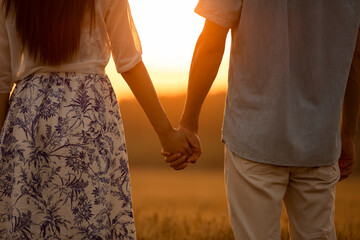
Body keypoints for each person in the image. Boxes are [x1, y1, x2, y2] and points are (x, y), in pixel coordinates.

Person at [164, 1, 360, 239]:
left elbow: (211, 42)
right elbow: (354, 55)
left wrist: (188, 124)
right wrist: (348, 132)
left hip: (254, 137)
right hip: (319, 140)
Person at [0, 0, 195, 239]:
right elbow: (129, 62)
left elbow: (1, 81)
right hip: (88, 113)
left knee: (29, 222)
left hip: (28, 118)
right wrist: (166, 134)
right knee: (91, 218)